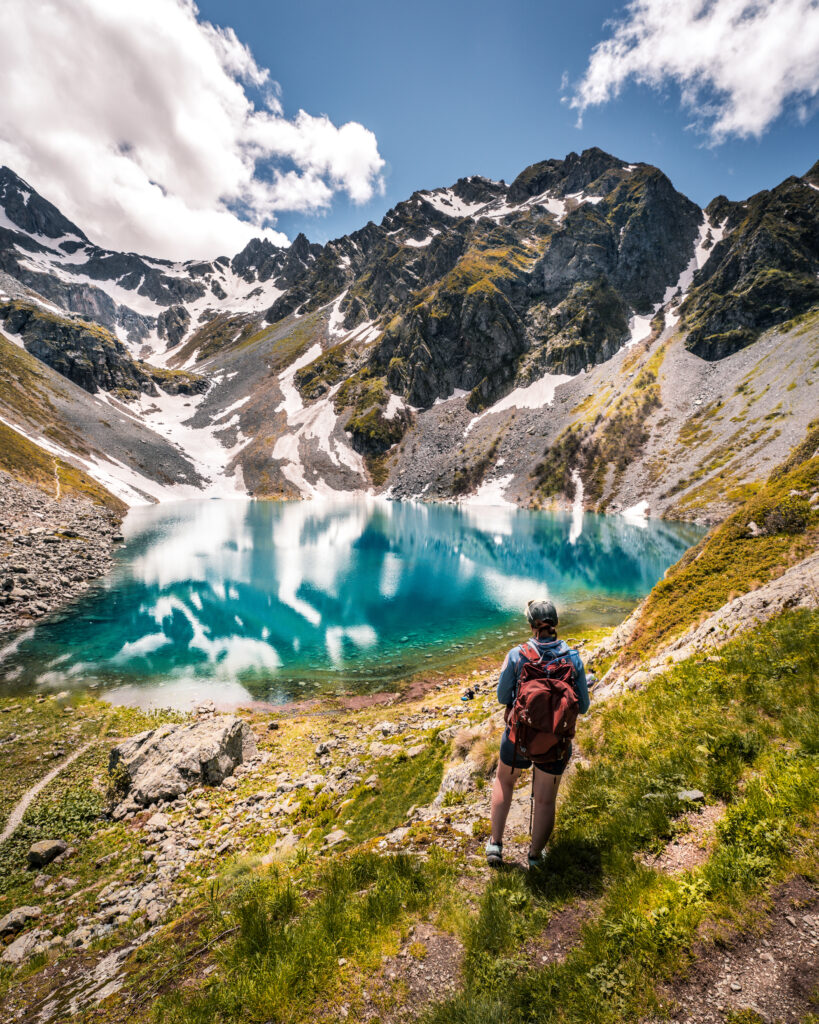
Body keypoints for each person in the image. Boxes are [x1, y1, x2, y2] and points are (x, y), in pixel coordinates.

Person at [485, 598, 590, 869]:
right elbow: (584, 707)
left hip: (518, 736)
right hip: (556, 740)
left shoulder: (517, 655)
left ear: (532, 626)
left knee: (504, 782)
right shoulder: (574, 659)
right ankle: (535, 857)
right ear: (555, 624)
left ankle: (495, 845)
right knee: (545, 799)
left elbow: (500, 697)